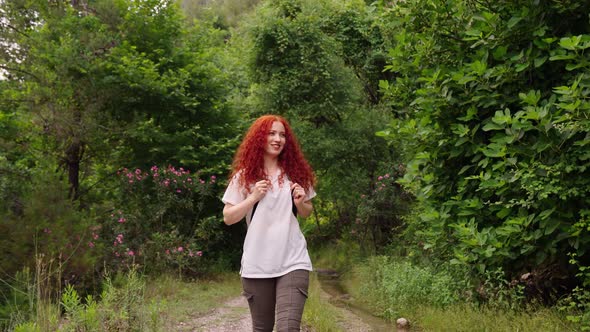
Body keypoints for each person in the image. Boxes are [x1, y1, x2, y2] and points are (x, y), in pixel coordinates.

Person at [222, 115, 316, 331]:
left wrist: (301, 202)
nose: (278, 139)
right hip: (257, 265)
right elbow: (228, 217)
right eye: (271, 133)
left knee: (288, 328)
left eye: (282, 135)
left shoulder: (296, 174)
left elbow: (307, 212)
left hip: (293, 261)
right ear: (259, 138)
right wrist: (252, 197)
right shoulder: (244, 177)